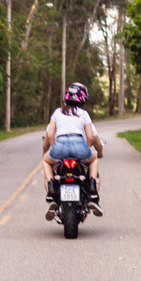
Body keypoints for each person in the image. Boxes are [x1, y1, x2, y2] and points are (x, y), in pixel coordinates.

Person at [42, 82, 104, 219]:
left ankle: (52, 190)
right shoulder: (83, 114)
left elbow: (50, 135)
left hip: (60, 147)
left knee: (46, 161)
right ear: (83, 98)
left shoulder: (57, 112)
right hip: (79, 146)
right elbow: (90, 137)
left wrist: (53, 148)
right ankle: (93, 191)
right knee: (94, 160)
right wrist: (87, 149)